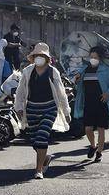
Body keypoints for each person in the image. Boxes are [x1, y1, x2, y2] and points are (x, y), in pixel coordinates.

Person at [14, 42, 71, 178]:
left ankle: (38, 170)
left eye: (42, 55)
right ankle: (45, 158)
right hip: (32, 109)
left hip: (49, 108)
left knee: (42, 136)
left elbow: (61, 93)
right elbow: (21, 90)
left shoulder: (53, 71)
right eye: (37, 55)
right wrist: (19, 107)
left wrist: (66, 111)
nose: (39, 58)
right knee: (35, 141)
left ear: (47, 58)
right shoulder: (28, 71)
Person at [73, 46, 109, 162]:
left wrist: (108, 93)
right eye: (91, 57)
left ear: (100, 58)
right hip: (88, 103)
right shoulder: (84, 69)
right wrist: (77, 79)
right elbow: (78, 85)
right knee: (88, 129)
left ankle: (99, 152)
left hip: (102, 103)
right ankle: (93, 146)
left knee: (101, 129)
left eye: (95, 57)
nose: (93, 59)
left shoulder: (106, 70)